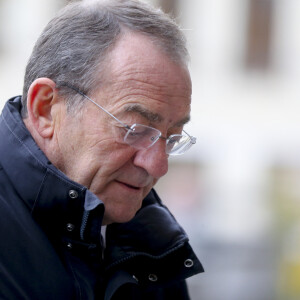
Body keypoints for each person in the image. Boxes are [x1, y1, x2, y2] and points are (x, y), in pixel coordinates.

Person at [0, 0, 203, 299]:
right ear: (44, 109)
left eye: (171, 138)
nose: (158, 166)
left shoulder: (155, 248)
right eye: (135, 130)